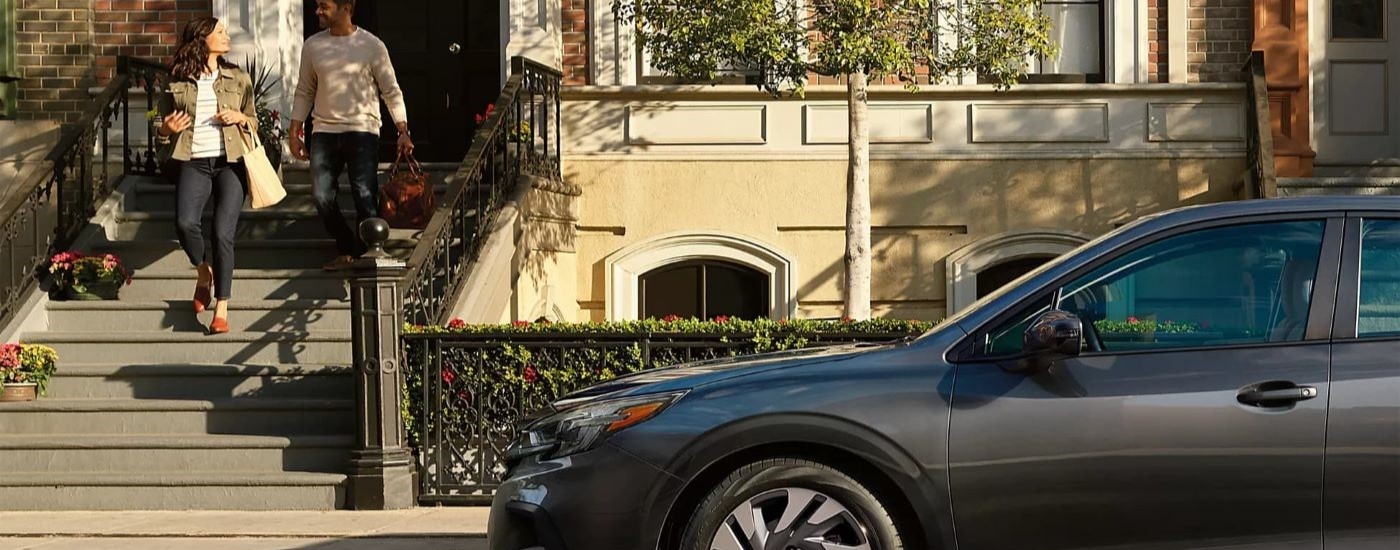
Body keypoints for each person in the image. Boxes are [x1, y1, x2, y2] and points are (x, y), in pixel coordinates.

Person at [290, 0, 414, 271]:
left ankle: (370, 253)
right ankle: (349, 247)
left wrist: (402, 130)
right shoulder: (313, 46)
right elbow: (305, 91)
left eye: (324, 6)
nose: (317, 11)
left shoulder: (372, 46)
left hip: (362, 131)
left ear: (346, 7)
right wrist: (294, 131)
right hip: (324, 132)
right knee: (322, 196)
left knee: (364, 195)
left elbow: (390, 91)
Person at [153, 17, 256, 335]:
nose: (226, 36)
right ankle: (203, 273)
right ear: (202, 38)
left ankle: (221, 307)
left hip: (231, 163)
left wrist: (240, 116)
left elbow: (253, 120)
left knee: (222, 233)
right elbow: (161, 124)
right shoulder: (178, 79)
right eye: (220, 32)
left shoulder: (237, 77)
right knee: (185, 223)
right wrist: (165, 130)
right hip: (194, 161)